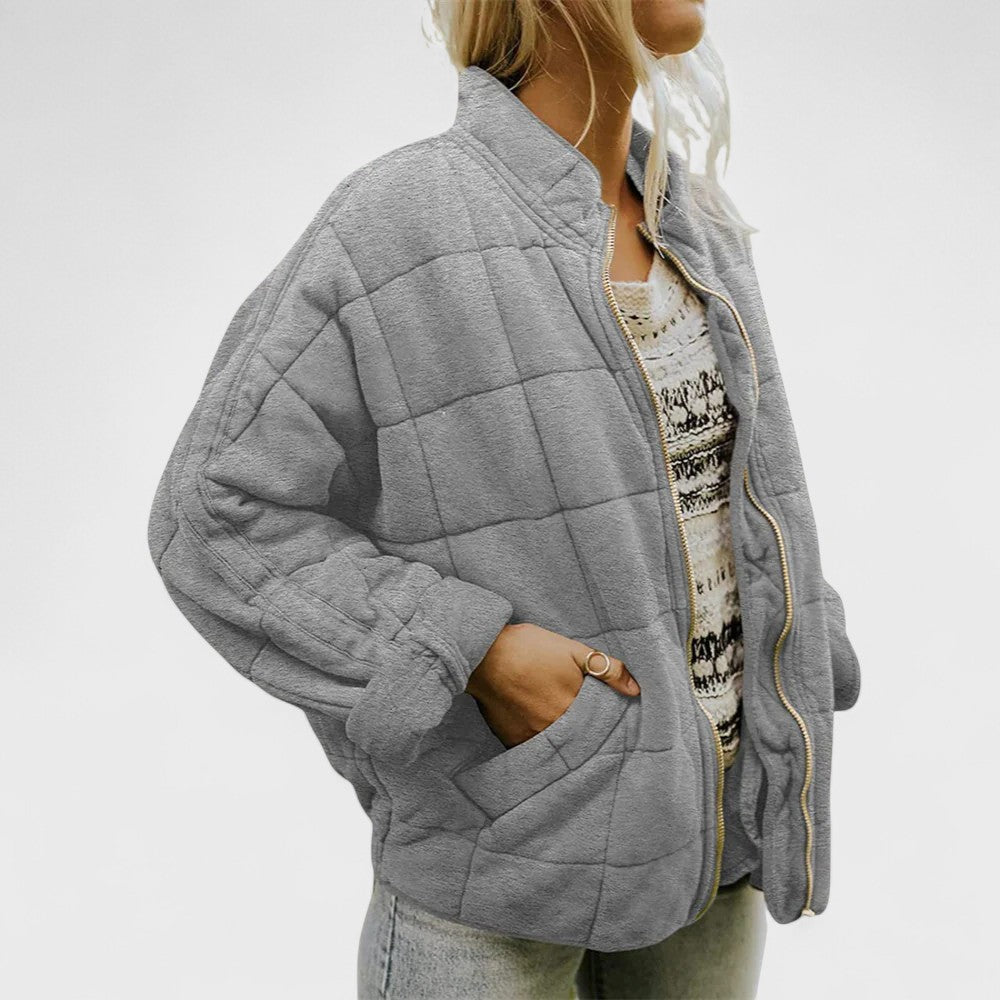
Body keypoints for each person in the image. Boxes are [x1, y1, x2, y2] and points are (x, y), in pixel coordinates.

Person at [146, 1, 862, 996]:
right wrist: (474, 651)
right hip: (503, 862)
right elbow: (214, 511)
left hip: (713, 846)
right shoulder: (401, 220)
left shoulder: (695, 219)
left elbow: (727, 495)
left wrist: (803, 645)